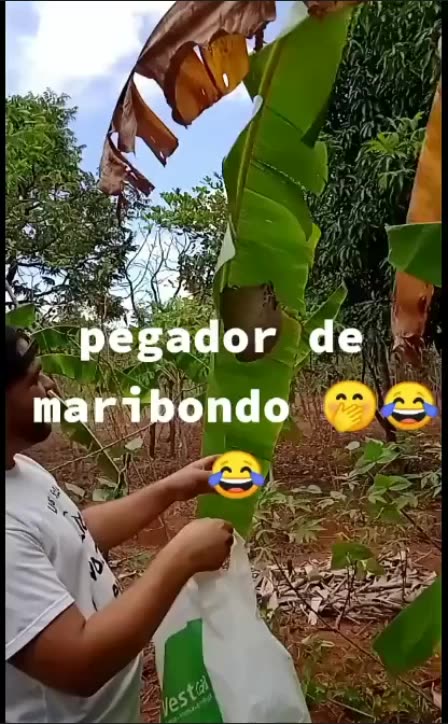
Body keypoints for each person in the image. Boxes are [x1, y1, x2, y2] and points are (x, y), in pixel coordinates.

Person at [5, 325, 234, 723]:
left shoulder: (19, 467)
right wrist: (180, 557)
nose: (51, 386)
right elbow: (78, 664)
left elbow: (71, 532)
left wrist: (170, 489)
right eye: (34, 380)